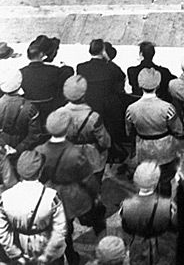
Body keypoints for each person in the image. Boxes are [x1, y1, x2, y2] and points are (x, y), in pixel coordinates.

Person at [36, 109, 105, 265]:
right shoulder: (75, 152)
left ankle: (70, 255)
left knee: (62, 230)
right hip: (77, 196)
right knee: (97, 219)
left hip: (54, 196)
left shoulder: (40, 150)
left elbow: (39, 177)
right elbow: (88, 179)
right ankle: (102, 251)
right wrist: (96, 195)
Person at [0, 150, 67, 265]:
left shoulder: (5, 197)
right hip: (46, 248)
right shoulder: (51, 196)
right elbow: (60, 229)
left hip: (20, 248)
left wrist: (15, 254)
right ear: (40, 172)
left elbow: (2, 231)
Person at [125, 67, 181, 196]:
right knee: (165, 181)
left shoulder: (131, 109)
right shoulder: (167, 108)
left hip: (143, 149)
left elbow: (129, 131)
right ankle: (165, 208)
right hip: (164, 150)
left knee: (146, 182)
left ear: (140, 84)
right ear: (158, 84)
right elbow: (177, 129)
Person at [77, 38, 128, 158]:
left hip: (89, 107)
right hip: (107, 110)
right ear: (103, 51)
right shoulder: (110, 67)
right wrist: (108, 60)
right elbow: (121, 76)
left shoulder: (81, 67)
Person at [120, 160, 176, 265]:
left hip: (137, 247)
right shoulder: (167, 205)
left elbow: (126, 228)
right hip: (161, 245)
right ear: (156, 182)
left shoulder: (126, 205)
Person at [60, 75, 111, 184]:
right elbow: (105, 141)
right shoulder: (93, 117)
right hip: (91, 156)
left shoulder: (59, 113)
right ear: (84, 95)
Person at [0, 69, 41, 155]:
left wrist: (4, 145)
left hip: (3, 146)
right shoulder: (30, 107)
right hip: (24, 147)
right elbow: (35, 134)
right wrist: (19, 149)